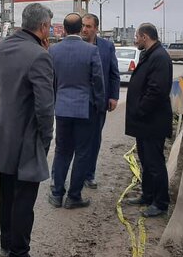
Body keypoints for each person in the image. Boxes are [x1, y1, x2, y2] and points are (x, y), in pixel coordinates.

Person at [0, 3, 55, 257]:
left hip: (4, 133)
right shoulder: (39, 56)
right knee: (24, 201)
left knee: (7, 195)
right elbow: (44, 106)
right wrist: (46, 140)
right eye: (48, 26)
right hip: (27, 139)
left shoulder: (4, 46)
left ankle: (7, 244)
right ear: (42, 27)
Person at [49, 13, 105, 209]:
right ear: (81, 27)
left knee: (62, 151)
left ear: (64, 29)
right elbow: (98, 81)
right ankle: (74, 196)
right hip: (85, 109)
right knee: (82, 153)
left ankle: (56, 194)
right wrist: (99, 104)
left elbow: (51, 80)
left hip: (62, 109)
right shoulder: (91, 50)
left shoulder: (53, 50)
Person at [125, 23, 173, 217]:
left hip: (152, 121)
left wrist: (140, 110)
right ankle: (148, 195)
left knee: (155, 163)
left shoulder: (160, 57)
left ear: (144, 37)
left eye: (137, 36)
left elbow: (156, 91)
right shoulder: (151, 54)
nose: (135, 40)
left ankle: (160, 203)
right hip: (145, 122)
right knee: (145, 161)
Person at [81, 13, 120, 189]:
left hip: (99, 103)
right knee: (77, 140)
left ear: (96, 28)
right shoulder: (76, 45)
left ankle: (89, 174)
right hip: (79, 102)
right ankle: (76, 174)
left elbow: (113, 73)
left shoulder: (107, 47)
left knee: (94, 139)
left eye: (89, 26)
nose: (84, 29)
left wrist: (113, 96)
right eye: (83, 25)